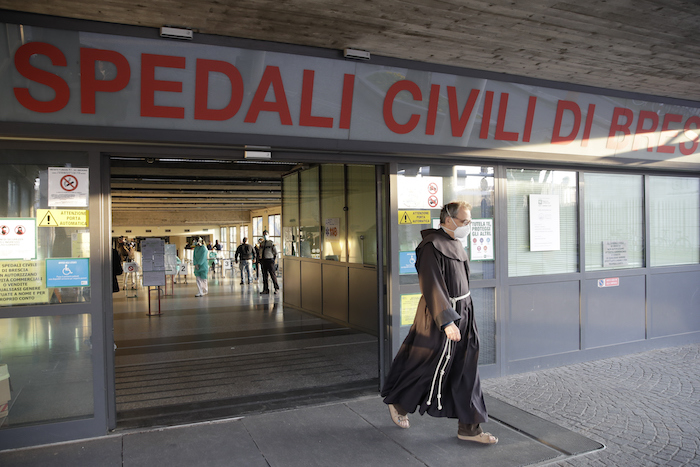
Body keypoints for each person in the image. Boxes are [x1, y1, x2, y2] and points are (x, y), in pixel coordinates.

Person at [381, 201, 498, 445]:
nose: (468, 225)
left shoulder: (456, 243)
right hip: (441, 315)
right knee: (427, 363)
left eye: (469, 221)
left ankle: (469, 429)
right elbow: (431, 284)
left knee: (467, 370)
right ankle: (399, 403)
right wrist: (446, 321)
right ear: (448, 220)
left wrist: (463, 316)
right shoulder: (430, 246)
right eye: (464, 221)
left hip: (464, 312)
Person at [258, 230, 279, 294]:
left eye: (266, 234)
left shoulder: (271, 243)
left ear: (268, 235)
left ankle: (276, 288)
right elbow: (260, 252)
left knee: (273, 275)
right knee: (264, 276)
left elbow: (275, 253)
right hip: (263, 260)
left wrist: (273, 260)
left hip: (270, 260)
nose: (265, 235)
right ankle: (265, 289)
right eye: (264, 234)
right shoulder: (262, 244)